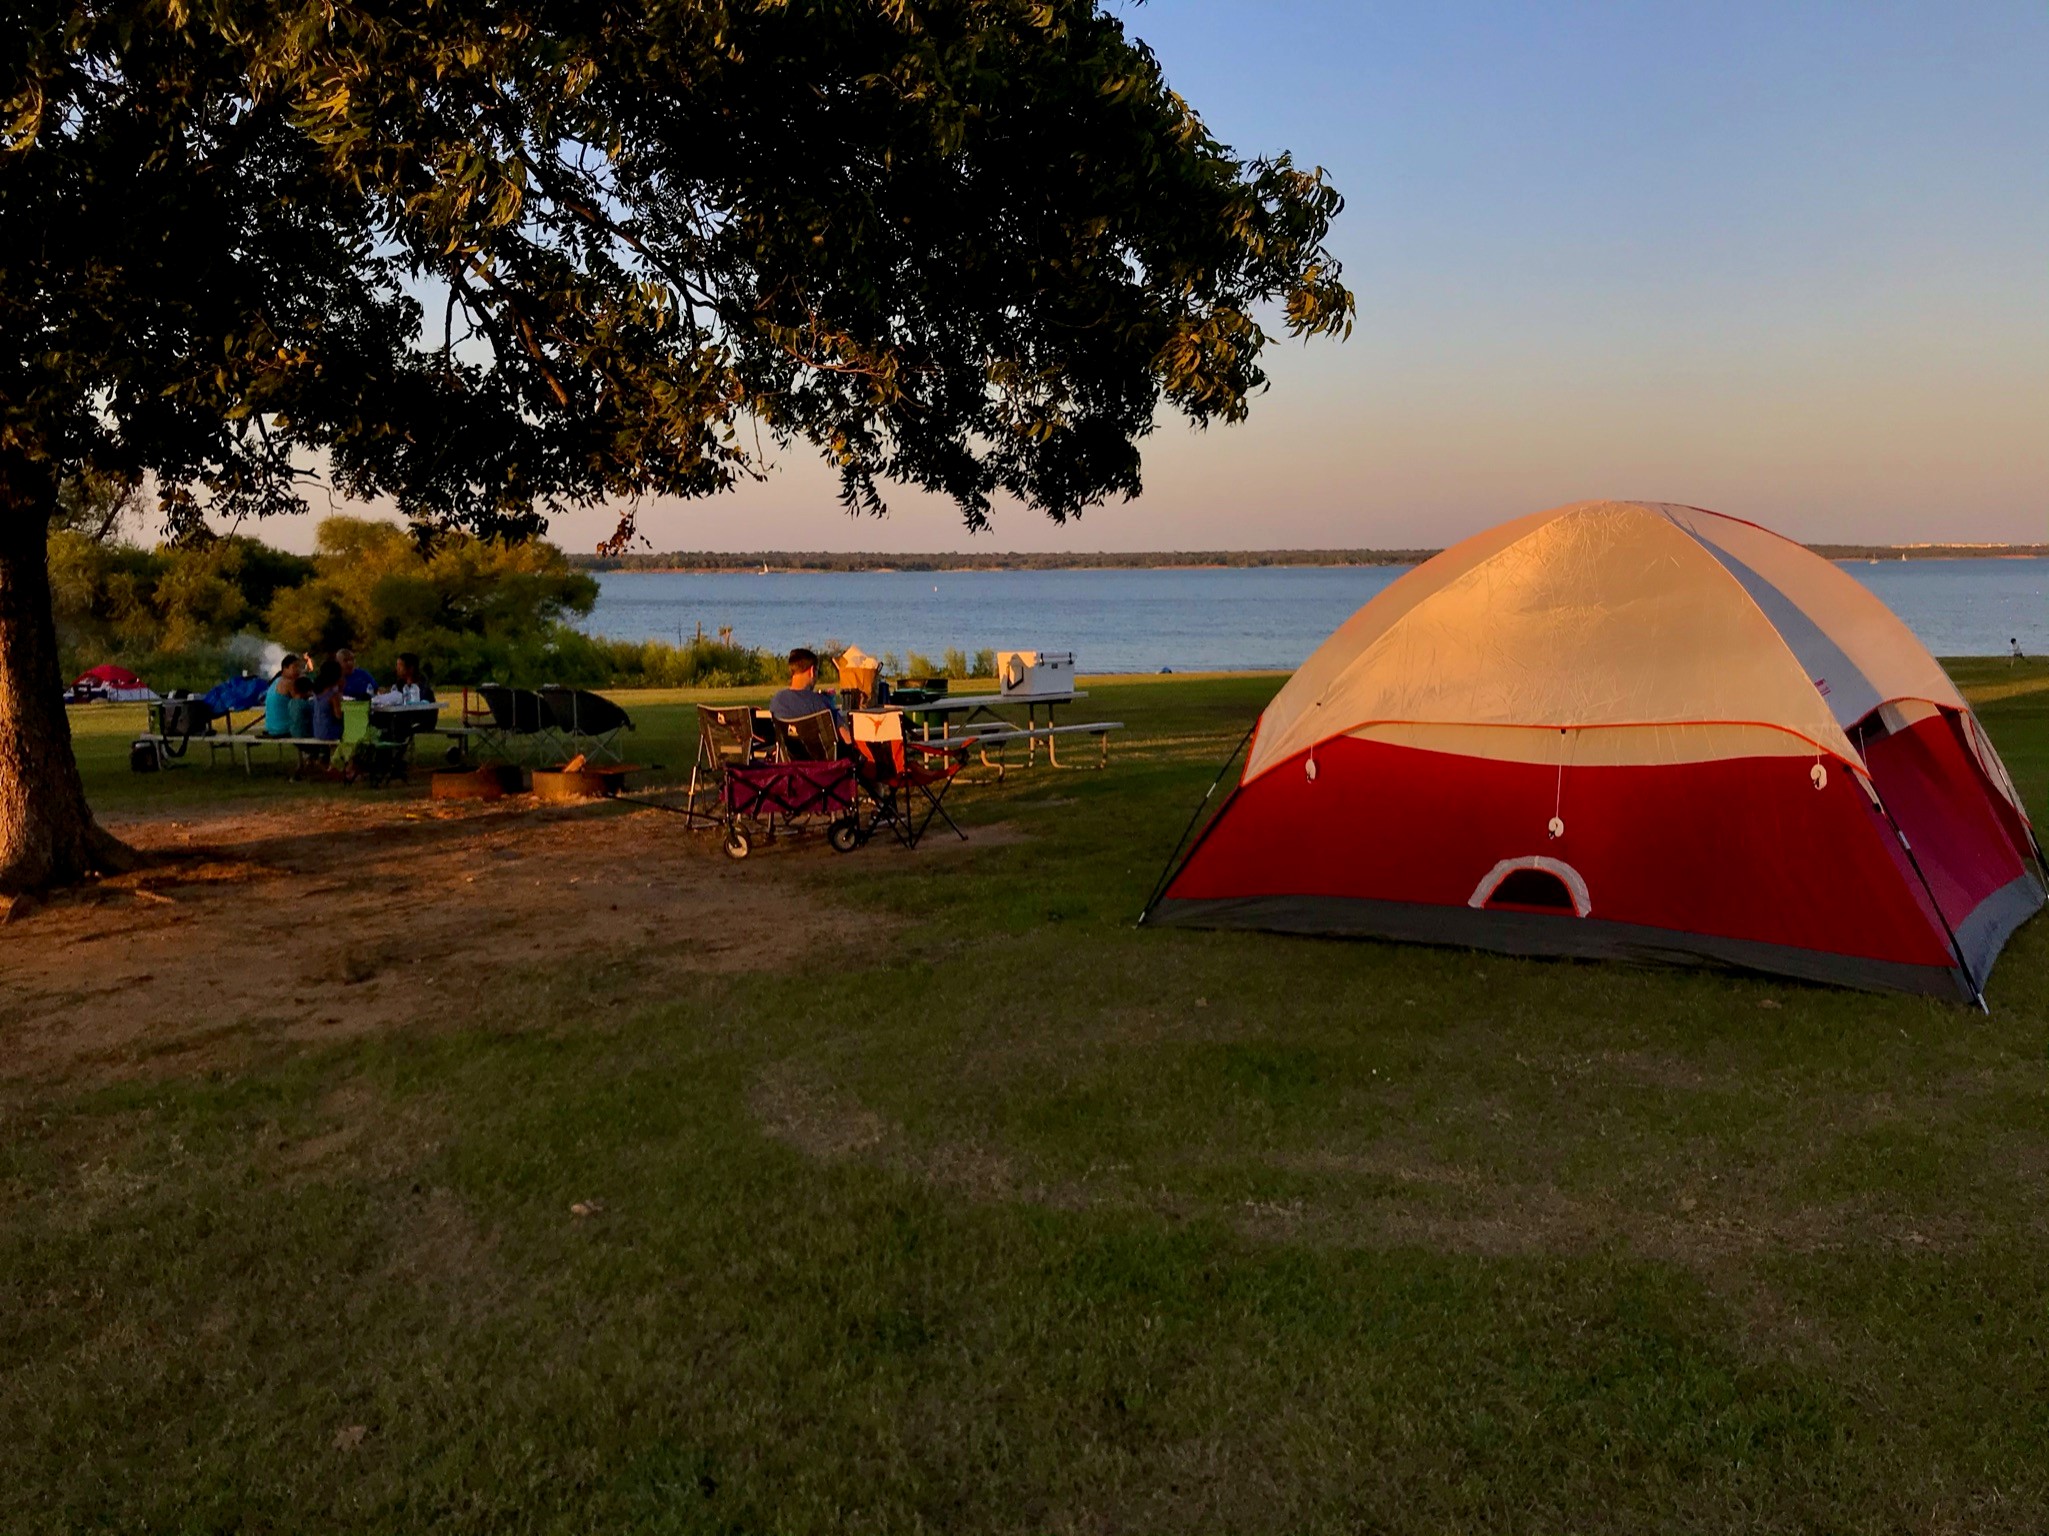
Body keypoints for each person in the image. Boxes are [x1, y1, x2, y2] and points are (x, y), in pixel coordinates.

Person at [769, 647, 850, 746]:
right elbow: (847, 739)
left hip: (790, 758)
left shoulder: (777, 700)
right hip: (823, 759)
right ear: (811, 671)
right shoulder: (820, 703)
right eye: (817, 672)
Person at [263, 652, 304, 736]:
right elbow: (300, 704)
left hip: (271, 728)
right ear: (285, 668)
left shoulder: (276, 681)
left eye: (299, 667)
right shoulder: (288, 683)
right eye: (295, 667)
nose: (298, 670)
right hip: (284, 728)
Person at [309, 658, 346, 743]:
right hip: (329, 732)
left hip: (317, 731)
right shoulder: (333, 695)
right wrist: (340, 690)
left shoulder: (317, 691)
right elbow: (339, 715)